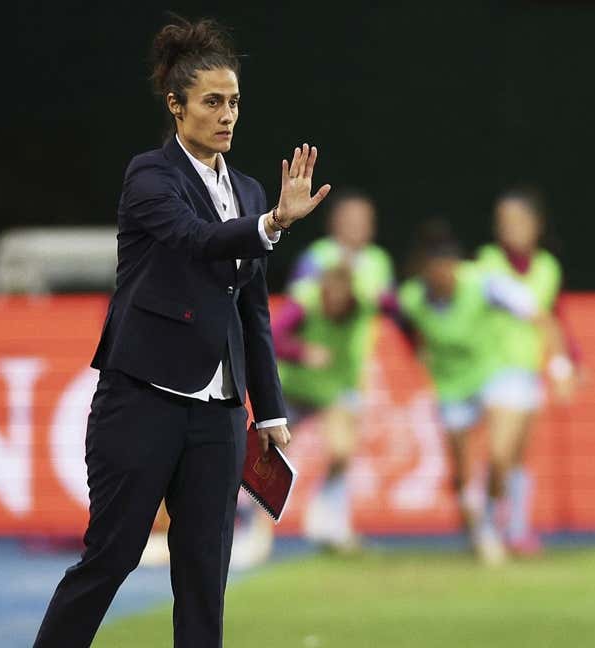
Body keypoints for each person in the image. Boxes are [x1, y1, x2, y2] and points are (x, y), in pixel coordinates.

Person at [32, 16, 330, 648]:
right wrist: (272, 223)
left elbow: (252, 311)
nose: (227, 115)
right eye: (212, 102)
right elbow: (197, 241)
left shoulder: (248, 188)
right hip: (141, 400)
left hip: (218, 418)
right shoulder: (150, 177)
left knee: (204, 579)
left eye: (235, 102)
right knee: (109, 559)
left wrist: (269, 410)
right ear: (176, 106)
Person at [391, 223, 552, 565]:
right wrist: (416, 350)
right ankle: (479, 532)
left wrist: (561, 360)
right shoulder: (412, 297)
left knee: (499, 456)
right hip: (451, 388)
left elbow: (533, 310)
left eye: (447, 269)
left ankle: (496, 520)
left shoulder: (483, 283)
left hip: (491, 377)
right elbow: (399, 321)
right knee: (462, 474)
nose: (442, 277)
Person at [474, 189, 580, 558]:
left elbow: (556, 317)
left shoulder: (548, 267)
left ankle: (517, 529)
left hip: (529, 371)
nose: (511, 228)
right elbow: (527, 307)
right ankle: (487, 524)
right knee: (499, 455)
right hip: (495, 370)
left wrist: (567, 365)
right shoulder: (487, 262)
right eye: (504, 221)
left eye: (519, 220)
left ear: (536, 226)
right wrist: (561, 362)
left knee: (518, 457)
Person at [271, 264, 367, 552]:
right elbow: (272, 336)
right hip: (295, 388)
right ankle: (255, 527)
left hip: (334, 388)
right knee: (271, 460)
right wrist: (303, 352)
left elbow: (395, 307)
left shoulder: (363, 305)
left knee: (342, 452)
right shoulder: (304, 302)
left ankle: (327, 516)